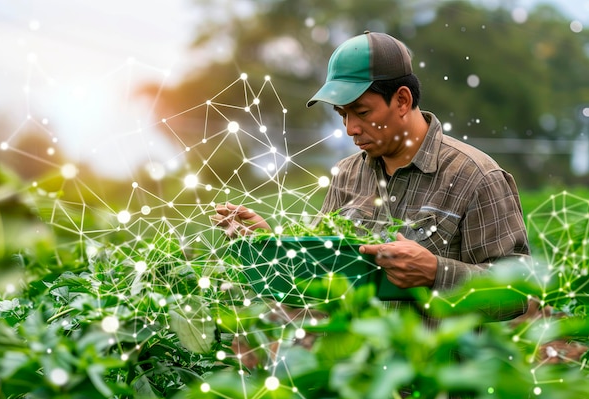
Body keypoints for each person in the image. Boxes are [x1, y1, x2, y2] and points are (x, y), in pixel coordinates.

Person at [213, 31, 531, 322]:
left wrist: (437, 273)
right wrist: (270, 244)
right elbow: (321, 283)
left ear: (402, 100)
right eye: (343, 115)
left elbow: (517, 294)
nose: (350, 128)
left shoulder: (475, 176)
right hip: (356, 379)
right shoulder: (348, 175)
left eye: (362, 112)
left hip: (436, 378)